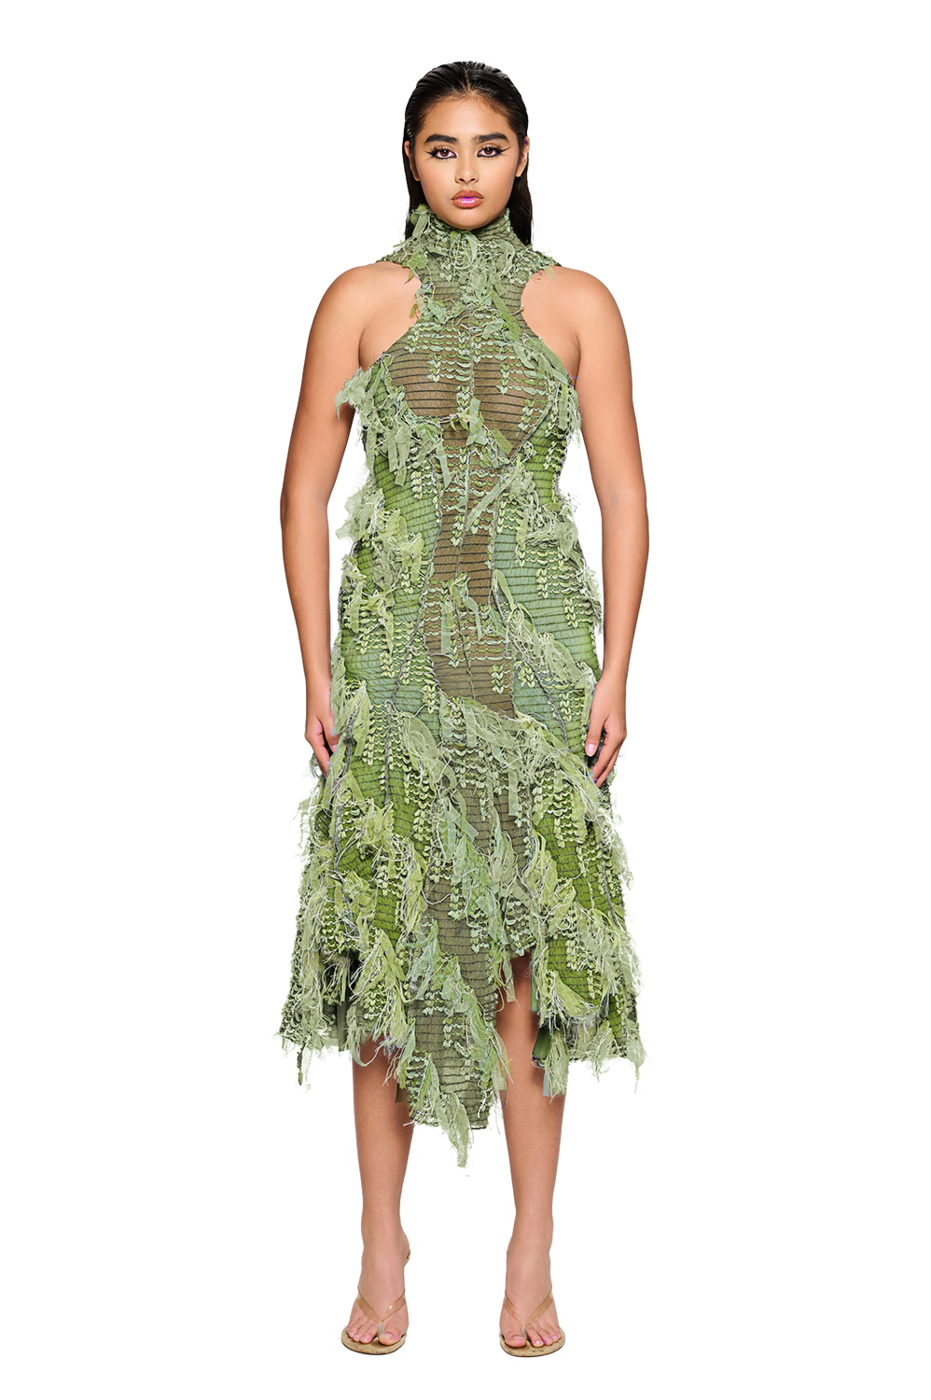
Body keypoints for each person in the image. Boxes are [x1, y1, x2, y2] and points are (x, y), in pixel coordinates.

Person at [270, 58, 650, 1359]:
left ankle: (529, 1276)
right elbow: (304, 493)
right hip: (396, 671)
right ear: (411, 162)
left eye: (489, 147)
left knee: (530, 973)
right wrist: (319, 670)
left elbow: (623, 494)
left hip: (536, 675)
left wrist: (612, 669)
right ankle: (382, 1277)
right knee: (389, 959)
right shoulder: (363, 297)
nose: (467, 171)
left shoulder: (577, 301)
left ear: (523, 157)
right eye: (443, 149)